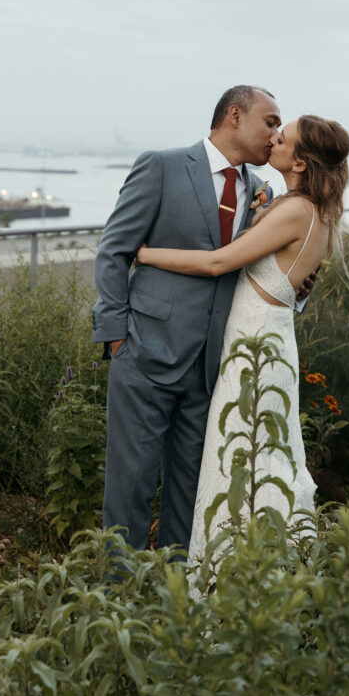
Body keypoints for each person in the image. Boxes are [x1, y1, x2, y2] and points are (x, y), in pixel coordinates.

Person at [93, 86, 317, 555]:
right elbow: (114, 250)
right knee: (129, 492)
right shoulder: (162, 166)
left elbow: (263, 272)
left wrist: (295, 290)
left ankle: (177, 602)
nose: (275, 134)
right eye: (270, 121)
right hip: (144, 354)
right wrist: (117, 338)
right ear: (235, 116)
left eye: (280, 127)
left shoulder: (263, 193)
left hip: (213, 370)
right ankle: (119, 607)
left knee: (191, 496)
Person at [136, 114, 349, 560]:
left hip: (252, 347)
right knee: (260, 454)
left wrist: (143, 253)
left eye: (284, 137)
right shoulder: (314, 211)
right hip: (269, 340)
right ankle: (259, 568)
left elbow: (219, 264)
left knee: (241, 457)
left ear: (301, 164)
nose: (273, 139)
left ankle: (229, 576)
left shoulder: (294, 209)